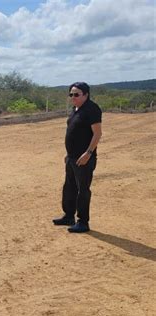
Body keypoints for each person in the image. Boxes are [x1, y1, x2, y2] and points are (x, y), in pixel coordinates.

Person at [53, 82, 102, 233]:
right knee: (69, 187)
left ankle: (83, 222)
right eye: (71, 94)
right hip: (72, 157)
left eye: (76, 94)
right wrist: (69, 155)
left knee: (83, 190)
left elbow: (97, 133)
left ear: (86, 95)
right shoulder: (76, 109)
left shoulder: (92, 109)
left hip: (84, 158)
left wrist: (88, 153)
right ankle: (69, 216)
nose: (73, 97)